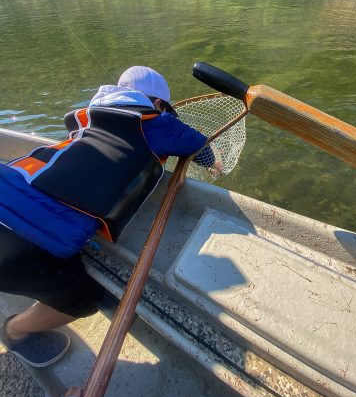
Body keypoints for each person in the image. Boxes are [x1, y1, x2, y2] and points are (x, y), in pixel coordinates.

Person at [0, 66, 221, 368]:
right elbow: (203, 149)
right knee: (82, 300)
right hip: (22, 238)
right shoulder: (155, 122)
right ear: (158, 105)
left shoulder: (86, 119)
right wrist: (214, 165)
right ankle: (14, 331)